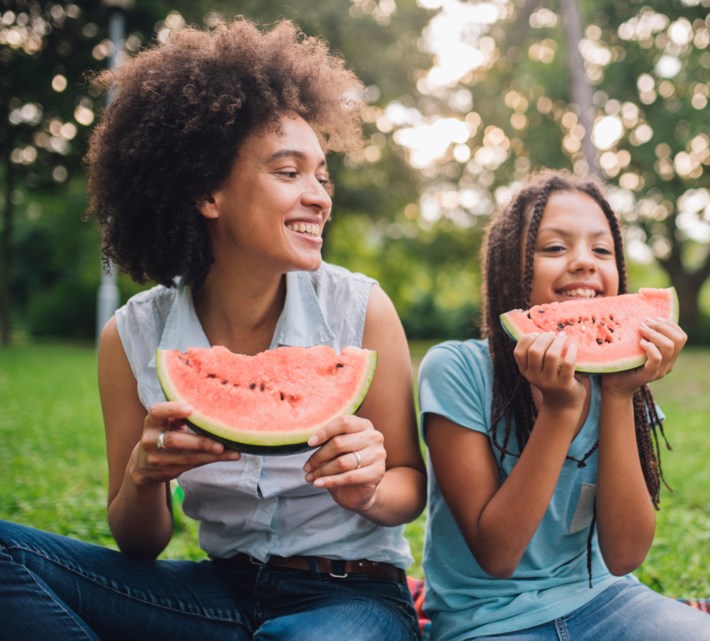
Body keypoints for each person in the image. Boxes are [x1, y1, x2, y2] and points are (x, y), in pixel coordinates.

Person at [0, 18, 425, 641]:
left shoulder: (360, 310)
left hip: (350, 596)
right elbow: (138, 543)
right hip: (214, 594)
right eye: (289, 173)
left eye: (321, 174)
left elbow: (408, 486)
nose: (319, 197)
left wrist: (367, 488)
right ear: (207, 193)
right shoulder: (132, 337)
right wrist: (145, 478)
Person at [417, 170, 710, 641]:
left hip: (606, 601)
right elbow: (498, 554)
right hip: (486, 622)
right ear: (510, 268)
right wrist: (559, 412)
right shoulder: (456, 369)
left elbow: (625, 555)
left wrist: (618, 394)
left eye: (601, 249)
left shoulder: (619, 379)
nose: (583, 263)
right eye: (554, 248)